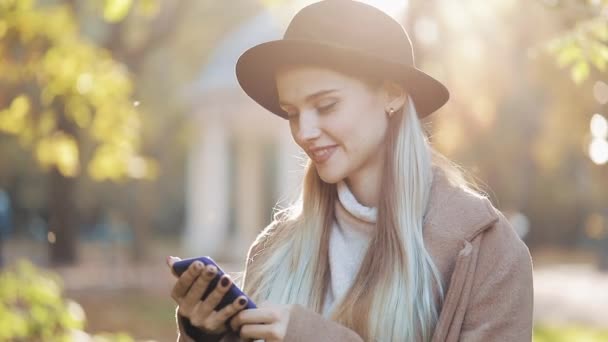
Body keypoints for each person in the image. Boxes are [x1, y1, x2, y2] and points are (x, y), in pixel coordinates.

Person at [168, 1, 534, 341]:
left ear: (392, 94)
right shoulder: (275, 249)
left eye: (326, 105)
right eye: (292, 112)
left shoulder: (486, 250)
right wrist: (210, 335)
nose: (303, 131)